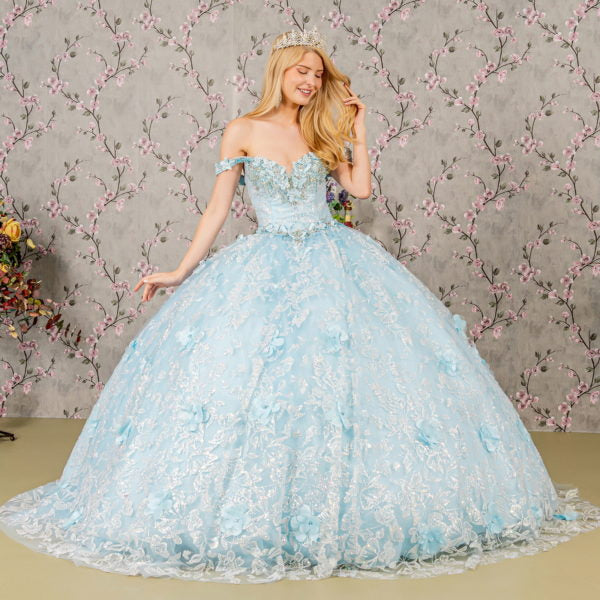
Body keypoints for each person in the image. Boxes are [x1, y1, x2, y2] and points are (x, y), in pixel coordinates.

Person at [0, 27, 598, 585]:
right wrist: (181, 271)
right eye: (302, 72)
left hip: (334, 262)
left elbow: (360, 189)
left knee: (340, 381)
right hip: (264, 265)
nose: (311, 82)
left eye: (318, 74)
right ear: (280, 72)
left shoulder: (322, 130)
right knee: (261, 384)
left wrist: (359, 130)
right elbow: (217, 209)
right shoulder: (242, 129)